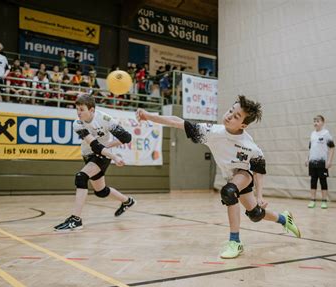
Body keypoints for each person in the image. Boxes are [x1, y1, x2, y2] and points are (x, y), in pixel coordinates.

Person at [136, 95, 301, 259]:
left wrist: (260, 196)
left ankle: (235, 242)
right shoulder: (212, 132)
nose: (229, 115)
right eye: (231, 111)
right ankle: (284, 218)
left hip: (244, 174)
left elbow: (258, 170)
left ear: (243, 125)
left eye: (236, 116)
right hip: (231, 176)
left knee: (229, 192)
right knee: (256, 214)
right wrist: (149, 116)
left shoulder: (249, 146)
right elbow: (177, 121)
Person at [53, 94, 136, 230]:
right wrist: (112, 155)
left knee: (81, 177)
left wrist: (110, 150)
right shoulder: (77, 124)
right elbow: (95, 145)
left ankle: (76, 219)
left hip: (102, 156)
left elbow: (126, 137)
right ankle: (127, 201)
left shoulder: (105, 119)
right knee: (101, 191)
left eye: (82, 109)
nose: (78, 113)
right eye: (77, 109)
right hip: (90, 154)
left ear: (91, 110)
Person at [305, 115, 335, 209]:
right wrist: (307, 158)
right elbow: (310, 148)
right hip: (312, 162)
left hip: (322, 162)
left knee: (323, 181)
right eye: (314, 121)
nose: (315, 123)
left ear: (322, 122)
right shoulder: (312, 134)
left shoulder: (326, 133)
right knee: (313, 181)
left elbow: (332, 147)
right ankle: (312, 200)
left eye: (318, 121)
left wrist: (329, 161)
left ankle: (324, 201)